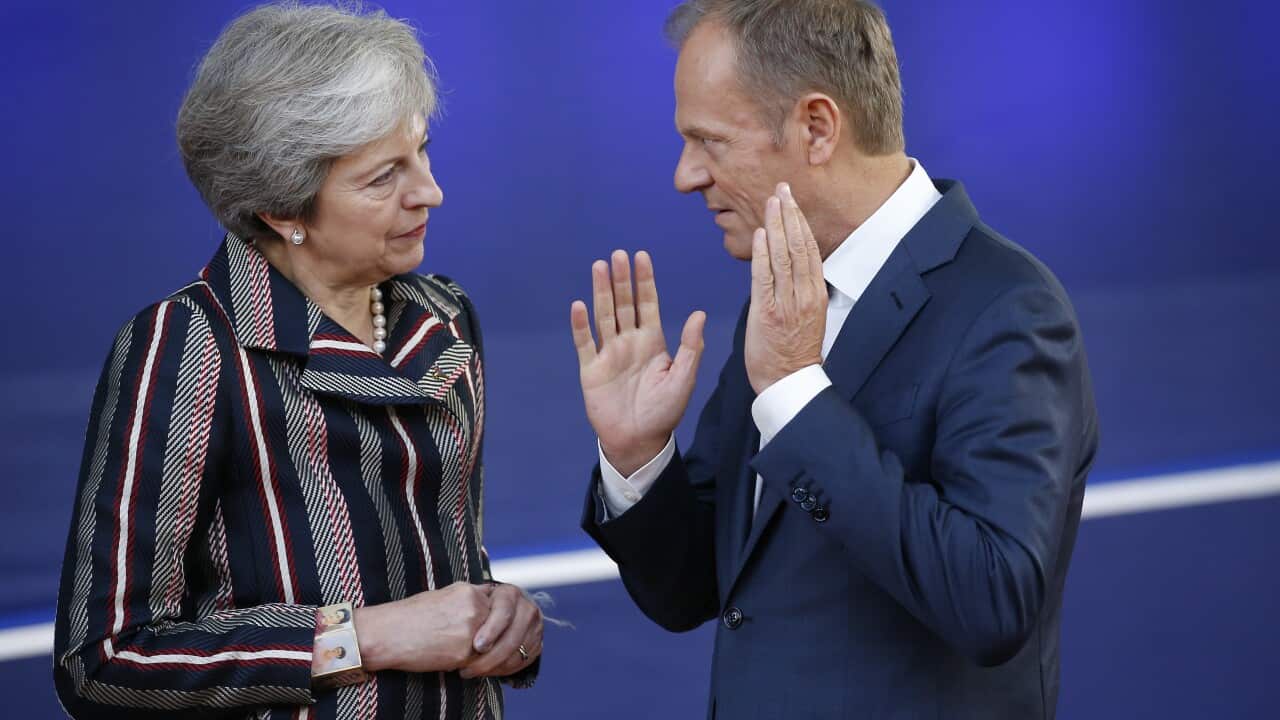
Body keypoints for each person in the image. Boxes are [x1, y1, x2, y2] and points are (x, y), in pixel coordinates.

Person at [571, 1, 1098, 717]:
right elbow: (692, 589)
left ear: (816, 127)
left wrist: (796, 393)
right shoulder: (784, 299)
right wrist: (638, 458)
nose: (685, 175)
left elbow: (992, 599)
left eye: (710, 141)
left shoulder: (1007, 309)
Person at [53, 5, 541, 719]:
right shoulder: (189, 345)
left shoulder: (446, 315)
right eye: (383, 178)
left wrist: (505, 621)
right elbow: (102, 661)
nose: (429, 192)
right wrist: (362, 638)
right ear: (285, 211)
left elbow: (449, 571)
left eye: (423, 152)